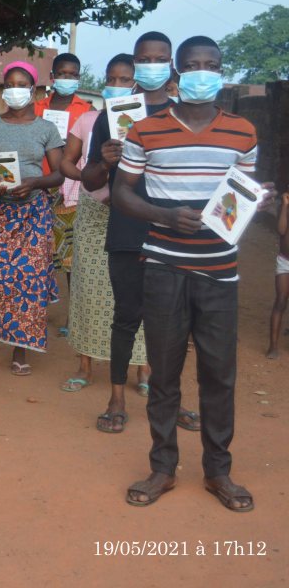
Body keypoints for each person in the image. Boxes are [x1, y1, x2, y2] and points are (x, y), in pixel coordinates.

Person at [114, 36, 267, 511]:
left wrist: (263, 200)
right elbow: (122, 193)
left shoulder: (243, 132)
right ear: (178, 73)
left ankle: (218, 471)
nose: (205, 72)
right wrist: (162, 216)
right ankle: (163, 467)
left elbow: (243, 194)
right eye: (194, 65)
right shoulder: (145, 130)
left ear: (222, 71)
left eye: (213, 64)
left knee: (219, 375)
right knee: (164, 374)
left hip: (220, 272)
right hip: (163, 266)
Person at [82, 32, 197, 434]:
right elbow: (89, 178)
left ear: (171, 64)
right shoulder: (111, 115)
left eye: (160, 57)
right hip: (128, 230)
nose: (152, 64)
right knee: (126, 317)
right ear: (135, 63)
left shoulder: (186, 116)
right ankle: (116, 399)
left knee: (174, 321)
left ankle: (173, 400)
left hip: (175, 231)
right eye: (145, 58)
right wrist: (105, 160)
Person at [58, 54, 148, 394]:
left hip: (138, 211)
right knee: (89, 288)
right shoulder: (89, 120)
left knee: (137, 291)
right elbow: (68, 163)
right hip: (96, 212)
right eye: (112, 78)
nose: (118, 85)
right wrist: (92, 178)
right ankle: (85, 366)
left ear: (136, 83)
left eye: (125, 80)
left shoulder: (148, 121)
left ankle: (143, 371)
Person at [0, 61, 64, 376]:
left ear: (34, 90)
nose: (15, 89)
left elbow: (59, 175)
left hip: (33, 214)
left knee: (27, 281)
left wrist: (35, 183)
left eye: (22, 84)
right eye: (9, 83)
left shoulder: (46, 129)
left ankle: (20, 351)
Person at [33, 52, 94, 330]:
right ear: (52, 77)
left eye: (73, 75)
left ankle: (74, 316)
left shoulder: (88, 110)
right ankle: (35, 311)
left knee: (70, 255)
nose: (68, 79)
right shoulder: (36, 108)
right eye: (63, 74)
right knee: (39, 253)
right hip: (38, 185)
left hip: (71, 190)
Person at [267, 192, 289, 359]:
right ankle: (273, 346)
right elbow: (281, 230)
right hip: (285, 261)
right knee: (281, 300)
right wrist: (285, 205)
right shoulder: (285, 207)